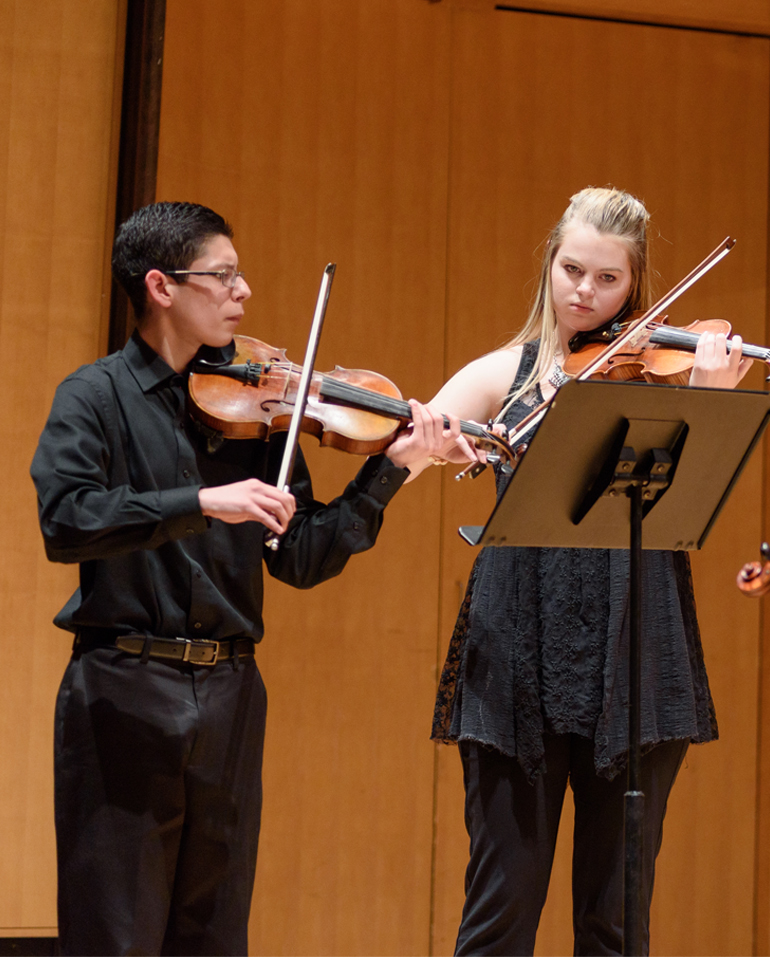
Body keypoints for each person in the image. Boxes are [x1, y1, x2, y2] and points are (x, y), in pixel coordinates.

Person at [31, 201, 464, 955]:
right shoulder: (93, 398)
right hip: (123, 690)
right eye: (223, 276)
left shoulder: (259, 407)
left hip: (231, 693)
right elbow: (67, 521)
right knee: (114, 932)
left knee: (216, 932)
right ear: (162, 286)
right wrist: (201, 501)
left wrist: (390, 474)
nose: (244, 292)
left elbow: (300, 557)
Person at [418, 186, 751, 956]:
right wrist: (430, 442)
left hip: (634, 653)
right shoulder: (507, 374)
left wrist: (708, 402)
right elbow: (413, 436)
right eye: (573, 269)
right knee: (499, 919)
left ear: (637, 285)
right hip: (518, 658)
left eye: (609, 280)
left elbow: (691, 507)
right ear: (551, 264)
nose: (585, 292)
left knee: (616, 922)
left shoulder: (663, 378)